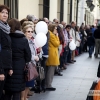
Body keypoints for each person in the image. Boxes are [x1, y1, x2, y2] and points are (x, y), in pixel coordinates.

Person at [4, 18, 31, 100]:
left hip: (7, 67)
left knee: (7, 92)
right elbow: (28, 56)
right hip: (20, 68)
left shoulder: (7, 38)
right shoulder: (23, 40)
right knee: (17, 93)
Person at [22, 23, 39, 100]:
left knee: (28, 84)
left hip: (32, 65)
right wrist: (34, 57)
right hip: (26, 65)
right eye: (28, 31)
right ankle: (23, 98)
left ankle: (25, 97)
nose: (30, 33)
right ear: (24, 32)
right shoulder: (24, 41)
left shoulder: (32, 41)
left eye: (32, 31)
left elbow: (34, 52)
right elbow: (25, 54)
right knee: (25, 84)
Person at [0, 5, 13, 99]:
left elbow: (8, 49)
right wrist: (0, 71)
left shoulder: (6, 28)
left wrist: (10, 67)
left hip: (6, 65)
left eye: (6, 13)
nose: (5, 15)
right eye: (2, 12)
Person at [45, 24, 60, 91]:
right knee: (50, 71)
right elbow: (57, 44)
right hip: (52, 54)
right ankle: (48, 85)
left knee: (50, 70)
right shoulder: (51, 35)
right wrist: (57, 36)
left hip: (52, 53)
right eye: (55, 29)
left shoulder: (50, 34)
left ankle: (48, 84)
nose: (56, 30)